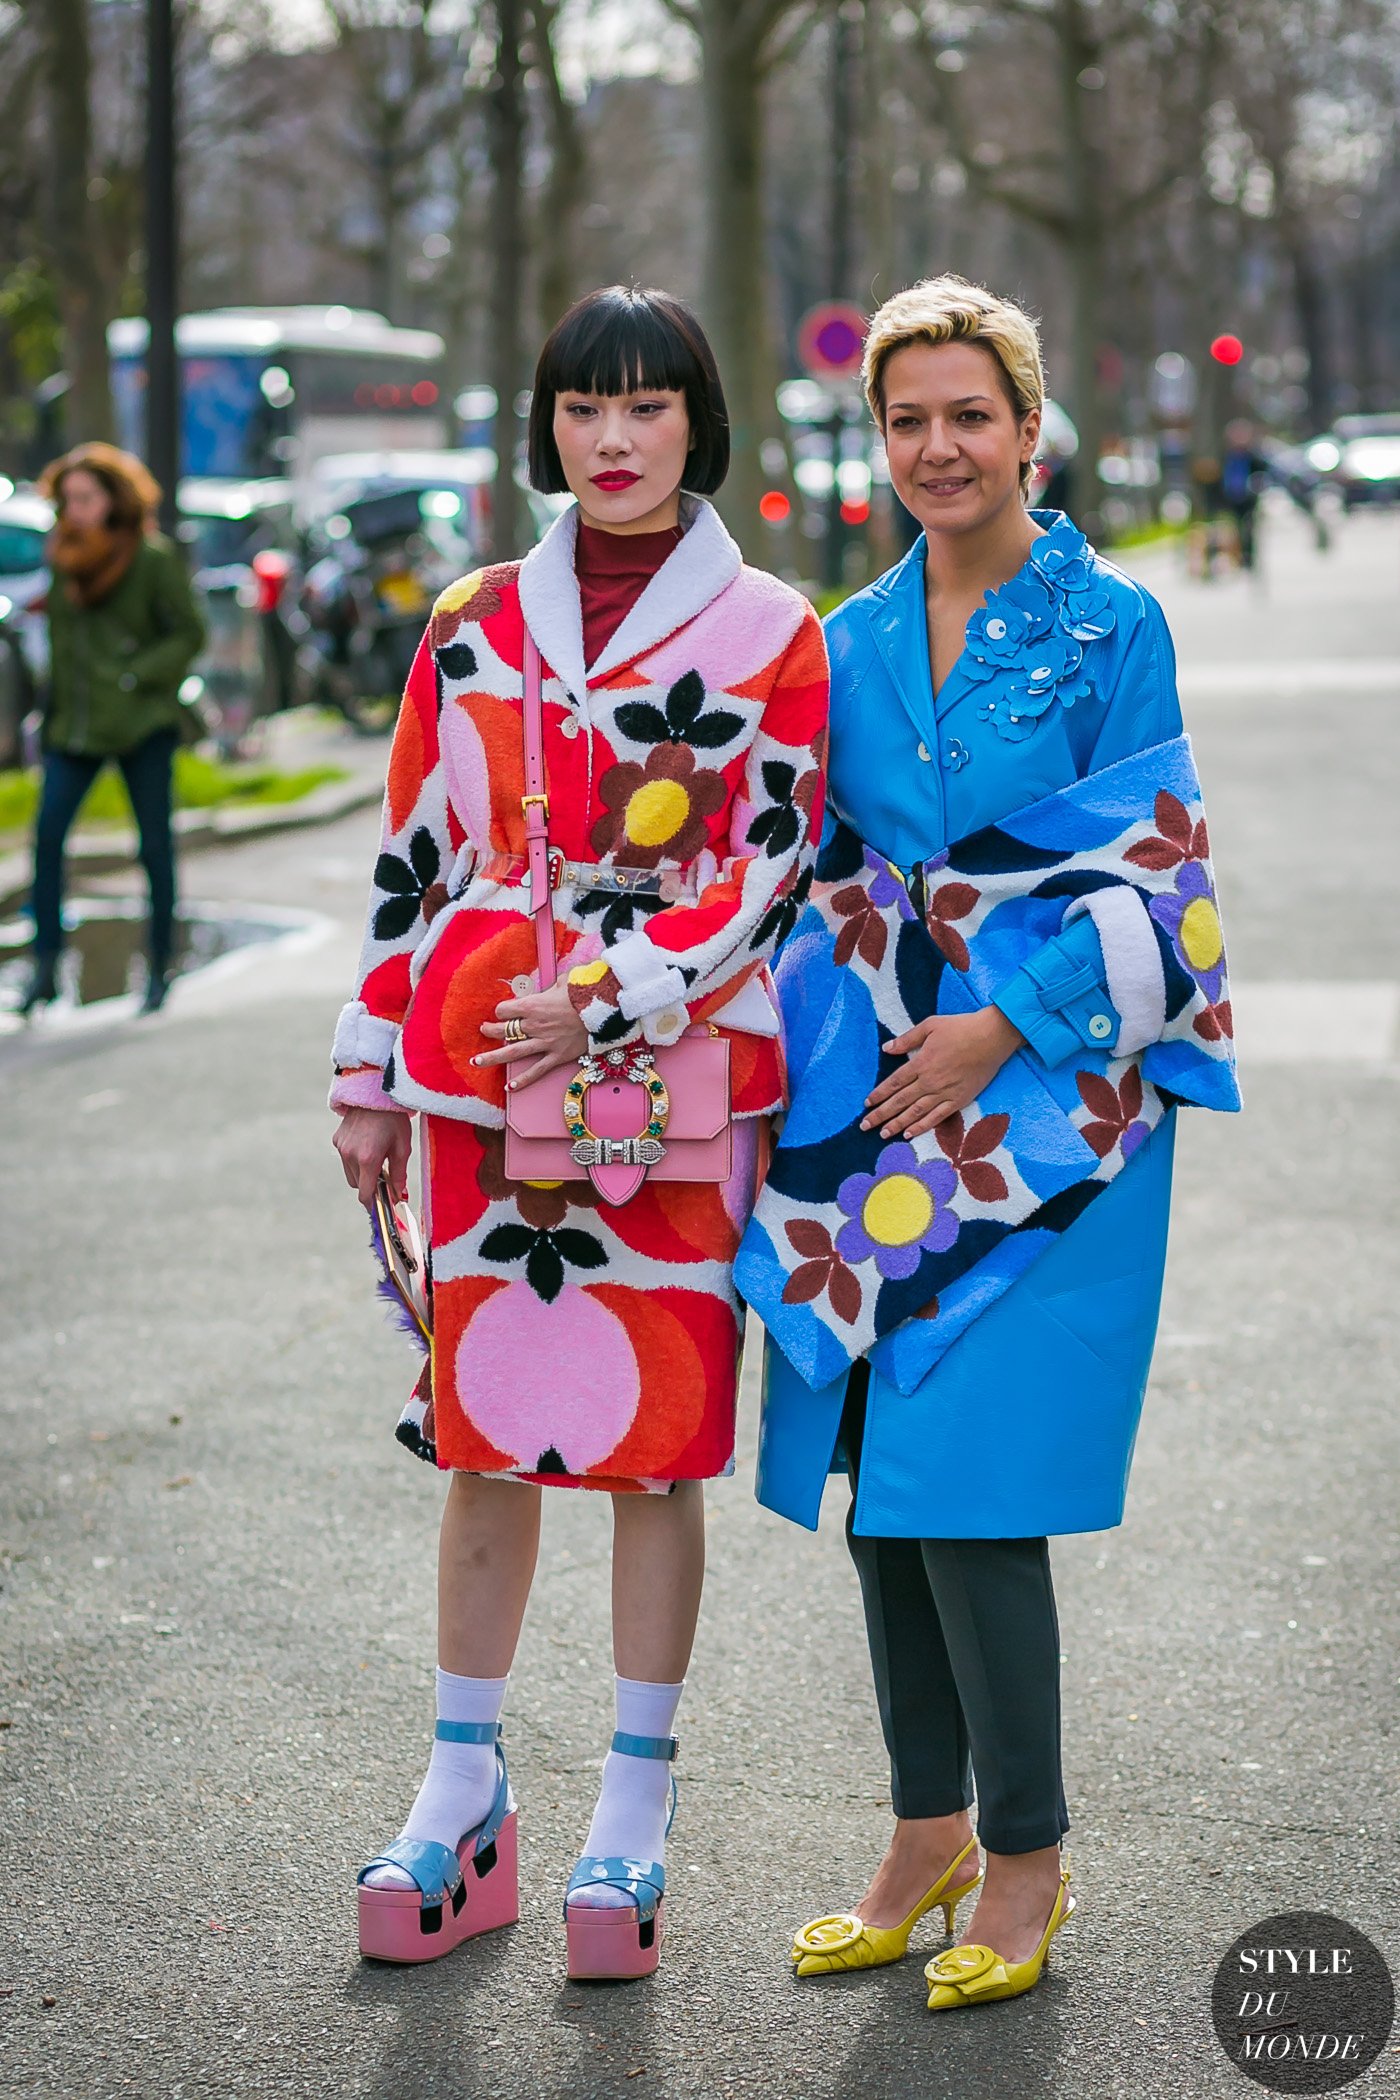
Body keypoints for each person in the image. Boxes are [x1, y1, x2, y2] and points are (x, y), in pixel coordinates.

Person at [736, 277, 1239, 2013]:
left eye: (970, 415)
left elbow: (1160, 876)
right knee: (891, 1493)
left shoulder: (1115, 630)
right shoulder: (844, 639)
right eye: (908, 419)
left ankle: (1024, 1857)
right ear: (877, 441)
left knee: (973, 1490)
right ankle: (926, 1831)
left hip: (1060, 1121)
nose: (938, 447)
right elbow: (800, 860)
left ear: (1030, 427)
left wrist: (1001, 1024)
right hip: (878, 1126)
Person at [329, 285, 828, 1978]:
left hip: (664, 1101)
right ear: (545, 427)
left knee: (657, 1442)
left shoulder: (772, 628)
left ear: (701, 424)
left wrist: (610, 999)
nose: (612, 441)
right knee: (483, 1432)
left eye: (647, 408)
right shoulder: (472, 618)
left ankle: (633, 1805)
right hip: (477, 1083)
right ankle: (459, 1782)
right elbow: (412, 849)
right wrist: (366, 1068)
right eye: (581, 410)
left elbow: (768, 862)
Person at [21, 442, 205, 1015]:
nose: (74, 509)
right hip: (72, 728)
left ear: (114, 500)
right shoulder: (63, 555)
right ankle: (44, 967)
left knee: (154, 847)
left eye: (86, 497)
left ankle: (159, 964)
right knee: (47, 839)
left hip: (139, 722)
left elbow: (189, 632)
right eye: (67, 498)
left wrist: (135, 676)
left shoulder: (150, 559)